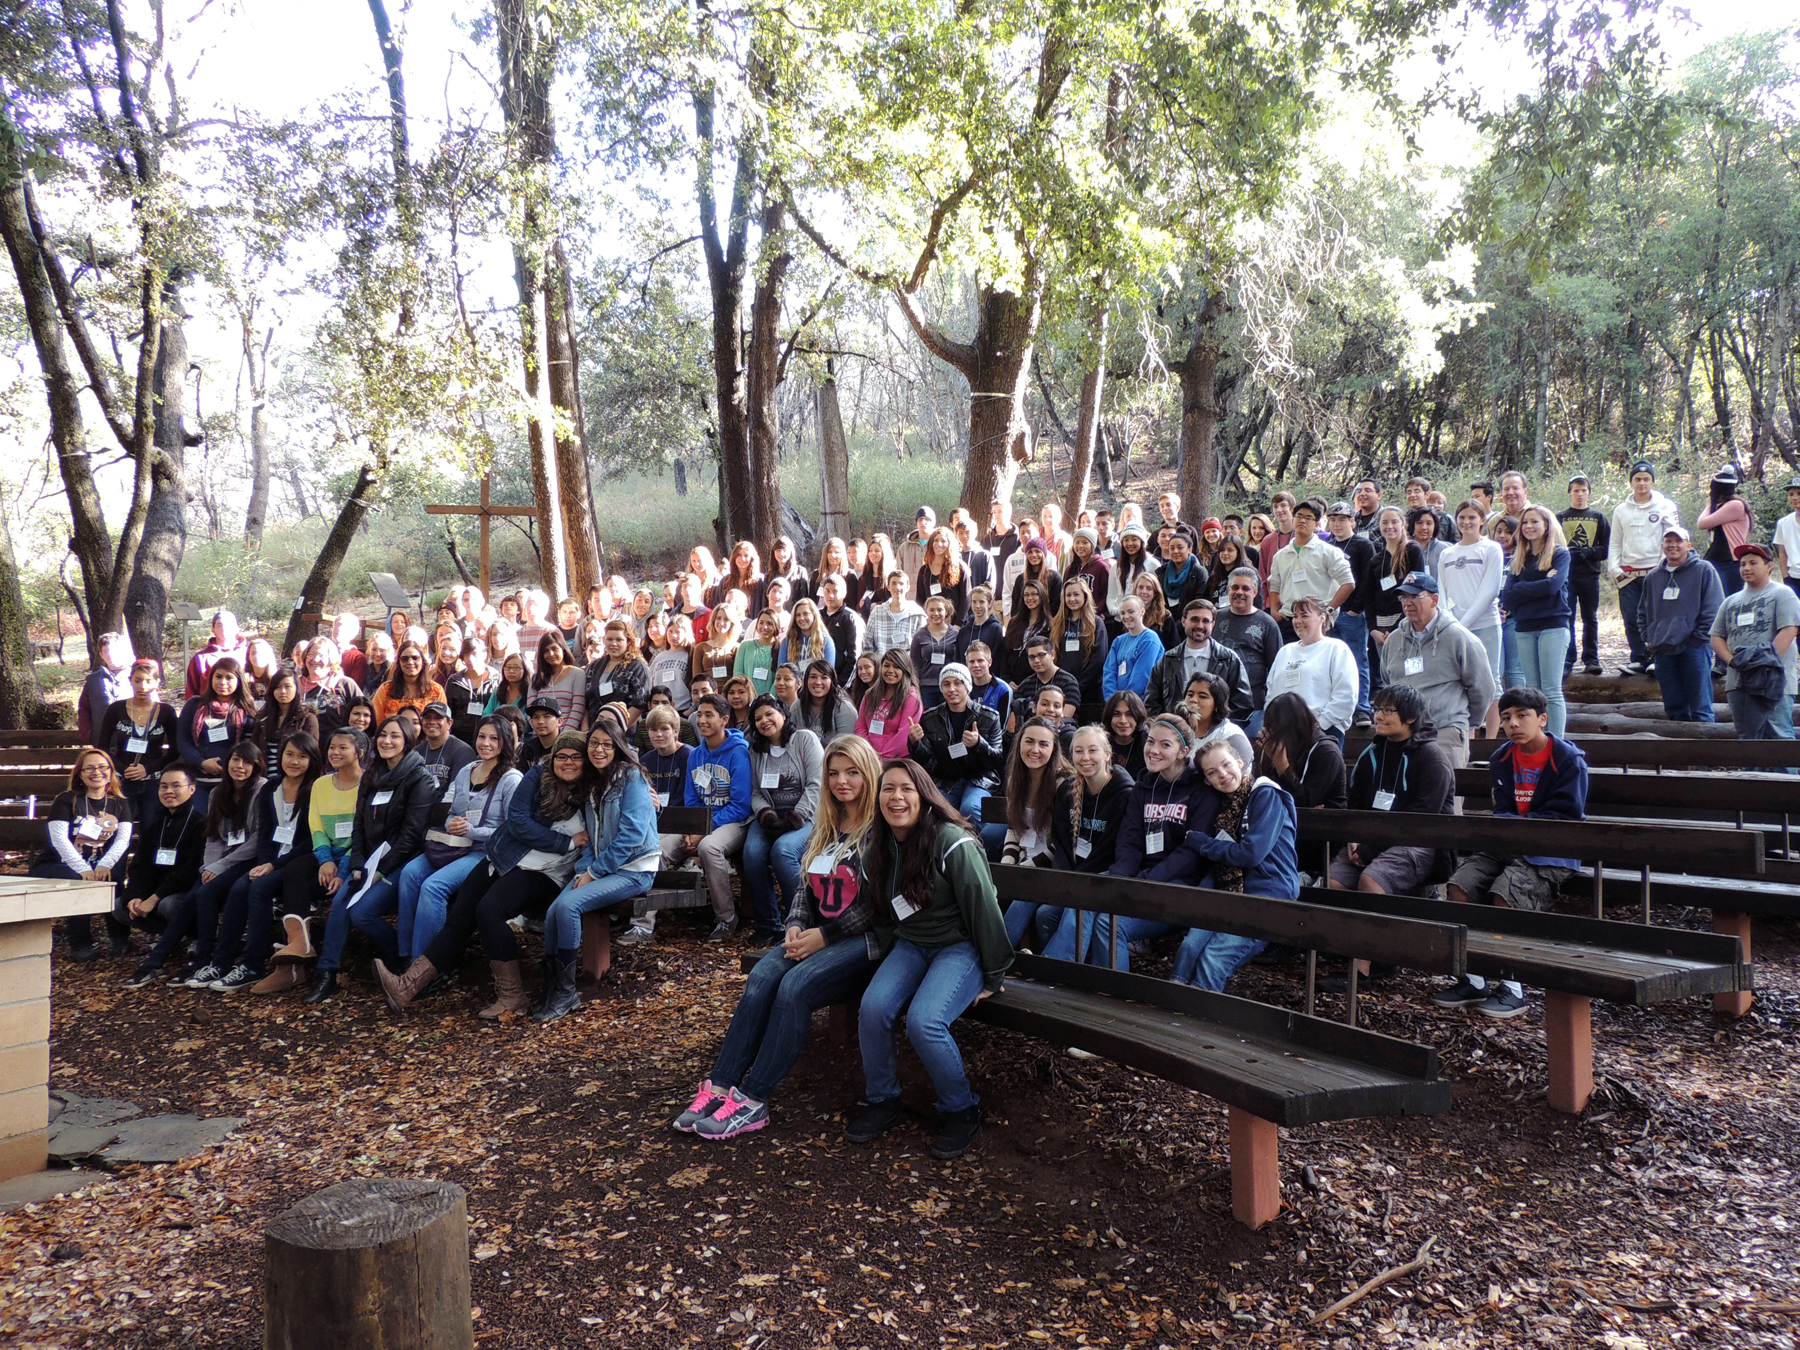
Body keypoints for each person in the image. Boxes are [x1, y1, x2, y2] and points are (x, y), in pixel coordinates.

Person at [676, 735, 887, 1141]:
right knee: (760, 978)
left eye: (852, 772)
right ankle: (720, 1086)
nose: (842, 781)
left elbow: (876, 907)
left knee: (794, 987)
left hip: (862, 942)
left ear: (869, 774)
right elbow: (808, 889)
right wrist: (794, 924)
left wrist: (821, 937)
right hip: (814, 934)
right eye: (834, 773)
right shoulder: (828, 823)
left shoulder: (880, 830)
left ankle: (754, 1099)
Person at [846, 759, 1010, 1160]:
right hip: (911, 945)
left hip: (961, 948)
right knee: (873, 1007)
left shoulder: (952, 841)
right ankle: (883, 1100)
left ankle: (961, 1109)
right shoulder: (878, 845)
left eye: (906, 789)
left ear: (924, 795)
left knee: (925, 1021)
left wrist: (994, 973)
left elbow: (984, 908)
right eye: (888, 789)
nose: (896, 798)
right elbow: (883, 910)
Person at [394, 733, 593, 1018]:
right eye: (562, 756)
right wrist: (566, 841)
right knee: (462, 913)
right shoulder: (538, 774)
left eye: (576, 757)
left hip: (547, 871)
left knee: (489, 911)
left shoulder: (591, 787)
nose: (568, 762)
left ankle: (513, 996)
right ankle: (407, 985)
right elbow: (518, 822)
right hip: (505, 855)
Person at [1436, 686, 1589, 1019]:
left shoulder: (1567, 760)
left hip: (1552, 851)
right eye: (1506, 717)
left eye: (1522, 716)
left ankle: (1513, 986)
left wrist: (1520, 828)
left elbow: (1565, 814)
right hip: (1506, 845)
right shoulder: (1501, 758)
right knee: (1459, 887)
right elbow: (1502, 809)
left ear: (1542, 719)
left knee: (1505, 892)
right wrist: (1509, 831)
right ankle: (1473, 978)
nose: (1513, 724)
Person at [1040, 714, 1218, 969]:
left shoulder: (1200, 791)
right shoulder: (1144, 787)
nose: (1154, 750)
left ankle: (1099, 990)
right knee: (1084, 897)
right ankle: (1063, 974)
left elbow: (1190, 854)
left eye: (1165, 745)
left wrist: (1145, 881)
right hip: (1137, 876)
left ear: (1183, 751)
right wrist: (1120, 879)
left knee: (1107, 922)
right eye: (1151, 742)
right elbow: (1129, 839)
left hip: (1178, 884)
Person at [303, 716, 436, 1004]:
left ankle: (399, 960)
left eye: (395, 736)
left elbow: (411, 836)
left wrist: (379, 871)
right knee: (342, 900)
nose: (387, 741)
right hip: (368, 860)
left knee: (361, 913)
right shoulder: (373, 775)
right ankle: (327, 972)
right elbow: (359, 826)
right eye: (383, 735)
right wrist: (356, 865)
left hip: (402, 861)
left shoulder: (419, 778)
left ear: (408, 741)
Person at [127, 740, 264, 989]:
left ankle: (207, 959)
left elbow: (258, 839)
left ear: (257, 765)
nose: (240, 766)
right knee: (195, 895)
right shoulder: (217, 793)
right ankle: (156, 961)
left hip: (249, 859)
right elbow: (214, 837)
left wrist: (220, 867)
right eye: (235, 760)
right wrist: (209, 867)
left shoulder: (261, 790)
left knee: (206, 895)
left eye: (247, 762)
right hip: (223, 861)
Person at [1172, 740, 1298, 991]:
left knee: (1213, 958)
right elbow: (1219, 864)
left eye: (1226, 764)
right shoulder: (1223, 810)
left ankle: (1194, 1024)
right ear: (1207, 780)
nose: (1222, 774)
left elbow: (1250, 854)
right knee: (1188, 948)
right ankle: (1171, 1013)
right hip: (1230, 893)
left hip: (1268, 893)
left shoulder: (1265, 794)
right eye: (1212, 772)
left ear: (1240, 762)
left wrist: (1203, 843)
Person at [205, 732, 322, 992]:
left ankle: (253, 965)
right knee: (238, 888)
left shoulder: (317, 788)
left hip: (301, 862)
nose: (294, 761)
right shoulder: (271, 787)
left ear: (312, 760)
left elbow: (311, 841)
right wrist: (266, 861)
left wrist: (272, 866)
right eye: (289, 754)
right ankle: (222, 961)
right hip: (271, 858)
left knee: (257, 889)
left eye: (302, 756)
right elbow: (266, 834)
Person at [1327, 683, 1454, 896]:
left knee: (1371, 882)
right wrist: (1353, 838)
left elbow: (1421, 819)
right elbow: (1355, 804)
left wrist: (1369, 849)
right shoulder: (1372, 754)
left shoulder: (1431, 758)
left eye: (1387, 711)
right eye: (1376, 709)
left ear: (1411, 717)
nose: (1378, 717)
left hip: (1418, 841)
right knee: (1332, 883)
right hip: (1369, 837)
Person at [661, 693, 754, 942]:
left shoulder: (738, 754)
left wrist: (704, 829)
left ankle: (726, 918)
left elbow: (741, 805)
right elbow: (691, 798)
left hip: (732, 822)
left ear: (724, 720)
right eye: (699, 714)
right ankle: (647, 920)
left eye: (708, 715)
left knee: (709, 847)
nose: (701, 720)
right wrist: (693, 826)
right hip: (699, 821)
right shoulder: (695, 755)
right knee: (660, 847)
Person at [1379, 573, 1495, 771]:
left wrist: (1463, 723)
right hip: (1402, 734)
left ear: (1434, 599)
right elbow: (1387, 681)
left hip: (1444, 731)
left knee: (1446, 799)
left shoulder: (1459, 638)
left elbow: (1483, 688)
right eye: (1404, 598)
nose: (1408, 603)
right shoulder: (1394, 640)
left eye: (1415, 596)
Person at [29, 748, 134, 960]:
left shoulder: (119, 803)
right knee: (79, 882)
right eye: (90, 768)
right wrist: (83, 868)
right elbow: (59, 839)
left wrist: (106, 864)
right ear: (80, 774)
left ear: (111, 772)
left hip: (99, 863)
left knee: (112, 878)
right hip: (57, 865)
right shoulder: (66, 800)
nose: (97, 772)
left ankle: (120, 941)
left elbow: (123, 839)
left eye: (102, 767)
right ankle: (81, 946)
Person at [741, 696, 826, 945]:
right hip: (770, 815)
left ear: (784, 715)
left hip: (806, 816)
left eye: (769, 714)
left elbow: (816, 784)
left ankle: (798, 921)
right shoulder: (756, 750)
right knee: (752, 853)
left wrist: (796, 817)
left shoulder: (804, 739)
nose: (764, 721)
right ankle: (769, 925)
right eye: (757, 719)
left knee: (783, 850)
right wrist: (765, 814)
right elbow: (756, 791)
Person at [115, 766, 206, 964]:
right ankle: (173, 935)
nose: (169, 792)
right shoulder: (156, 824)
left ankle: (196, 935)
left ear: (191, 789)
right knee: (119, 907)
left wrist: (155, 898)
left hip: (185, 891)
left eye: (176, 786)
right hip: (157, 891)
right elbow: (140, 866)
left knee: (169, 905)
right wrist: (135, 896)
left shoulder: (201, 822)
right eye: (163, 787)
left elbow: (191, 871)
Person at [1711, 542, 1800, 743]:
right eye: (1742, 564)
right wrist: (1732, 661)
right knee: (1748, 738)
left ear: (1769, 566)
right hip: (1738, 682)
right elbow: (1716, 636)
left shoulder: (1782, 594)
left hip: (1773, 681)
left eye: (1753, 563)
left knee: (1778, 737)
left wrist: (1763, 663)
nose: (1747, 568)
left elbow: (1789, 629)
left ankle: (1785, 776)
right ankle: (1753, 775)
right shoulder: (1730, 601)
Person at [908, 661, 1004, 836]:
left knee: (971, 808)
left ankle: (981, 852)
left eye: (957, 683)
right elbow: (925, 758)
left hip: (980, 779)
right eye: (946, 684)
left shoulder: (989, 717)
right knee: (932, 811)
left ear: (967, 686)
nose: (951, 689)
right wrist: (915, 743)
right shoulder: (930, 717)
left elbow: (997, 760)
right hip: (946, 779)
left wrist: (979, 745)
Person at [1640, 525, 1723, 724]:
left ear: (1689, 545)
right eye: (1668, 541)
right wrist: (1650, 638)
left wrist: (1697, 639)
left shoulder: (1704, 570)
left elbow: (1714, 609)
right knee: (1674, 707)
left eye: (1678, 541)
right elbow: (1642, 611)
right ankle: (1679, 751)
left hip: (1694, 648)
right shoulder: (1653, 576)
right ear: (1662, 545)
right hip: (1663, 649)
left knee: (1700, 707)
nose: (1673, 545)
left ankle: (1708, 751)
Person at [1607, 460, 1683, 676]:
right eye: (1637, 479)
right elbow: (1615, 541)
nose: (1641, 483)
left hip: (1656, 571)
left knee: (1657, 617)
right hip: (1629, 573)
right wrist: (1614, 568)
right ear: (1631, 482)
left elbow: (1672, 537)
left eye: (1646, 479)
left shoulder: (1665, 506)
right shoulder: (1621, 510)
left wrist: (1664, 567)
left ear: (1652, 481)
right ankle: (1638, 658)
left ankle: (1658, 658)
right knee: (1631, 617)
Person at [1502, 506, 1573, 736]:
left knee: (1551, 690)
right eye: (1525, 523)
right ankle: (1537, 739)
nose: (1529, 527)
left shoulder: (1560, 554)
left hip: (1553, 625)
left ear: (1547, 525)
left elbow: (1553, 587)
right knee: (1533, 692)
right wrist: (1538, 585)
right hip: (1524, 627)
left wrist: (1522, 588)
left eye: (1535, 522)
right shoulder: (1519, 558)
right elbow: (1507, 596)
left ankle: (1557, 742)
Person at [1438, 500, 1506, 736]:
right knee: (1461, 680)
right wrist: (1449, 621)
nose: (1466, 522)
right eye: (1462, 517)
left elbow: (1490, 590)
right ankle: (1466, 737)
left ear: (1482, 520)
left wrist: (1463, 624)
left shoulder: (1491, 549)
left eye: (1472, 517)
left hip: (1485, 624)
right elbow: (1442, 591)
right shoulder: (1447, 553)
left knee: (1491, 679)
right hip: (1453, 627)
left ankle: (1490, 739)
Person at [1262, 596, 1358, 744]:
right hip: (1284, 734)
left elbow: (1346, 696)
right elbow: (1271, 692)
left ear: (1322, 618)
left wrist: (1318, 725)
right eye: (1295, 616)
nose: (1298, 621)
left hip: (1323, 733)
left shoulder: (1336, 648)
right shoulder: (1284, 651)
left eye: (1304, 615)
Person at [97, 658, 180, 823]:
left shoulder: (166, 712)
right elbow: (102, 746)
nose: (143, 686)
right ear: (130, 681)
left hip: (152, 781)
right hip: (122, 780)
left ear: (157, 682)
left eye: (148, 681)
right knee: (120, 826)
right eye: (138, 680)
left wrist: (147, 769)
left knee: (150, 827)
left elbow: (175, 750)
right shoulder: (116, 709)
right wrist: (123, 769)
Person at [1143, 599, 1252, 723]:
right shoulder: (1166, 660)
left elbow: (1243, 705)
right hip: (1175, 736)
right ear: (1184, 621)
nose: (1200, 625)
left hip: (1216, 737)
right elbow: (1151, 704)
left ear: (1213, 624)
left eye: (1206, 621)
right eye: (1195, 619)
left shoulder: (1229, 660)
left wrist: (1220, 729)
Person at [1321, 501, 1378, 727]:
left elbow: (1367, 580)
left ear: (1352, 521)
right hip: (1329, 612)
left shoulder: (1363, 545)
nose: (1336, 524)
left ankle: (1361, 707)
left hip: (1352, 613)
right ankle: (1335, 705)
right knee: (1331, 661)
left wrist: (1356, 608)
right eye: (1333, 520)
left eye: (1342, 519)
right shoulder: (1326, 545)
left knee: (1357, 659)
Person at [1268, 499, 1356, 633]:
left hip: (1318, 621)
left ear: (1316, 524)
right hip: (1288, 619)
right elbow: (1275, 585)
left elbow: (1348, 583)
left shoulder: (1329, 552)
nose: (1302, 520)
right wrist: (1274, 611)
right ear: (1293, 520)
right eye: (1299, 516)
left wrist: (1328, 610)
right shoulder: (1280, 555)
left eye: (1308, 517)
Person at [1212, 569, 1281, 735]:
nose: (1239, 592)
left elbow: (1276, 669)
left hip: (1254, 707)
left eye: (1245, 588)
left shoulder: (1268, 624)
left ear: (1255, 591)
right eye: (1235, 587)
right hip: (1216, 705)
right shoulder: (1215, 619)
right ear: (1228, 589)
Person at [176, 657, 259, 796]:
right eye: (218, 676)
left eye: (229, 678)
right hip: (197, 780)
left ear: (239, 681)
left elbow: (249, 744)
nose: (222, 682)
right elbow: (183, 740)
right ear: (211, 678)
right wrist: (202, 762)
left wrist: (229, 765)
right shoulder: (194, 705)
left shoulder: (247, 709)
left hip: (233, 782)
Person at [1558, 473, 1610, 677]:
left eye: (1584, 490)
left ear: (1589, 493)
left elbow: (1606, 548)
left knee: (1591, 618)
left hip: (1590, 575)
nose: (1580, 494)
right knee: (1566, 618)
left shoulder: (1598, 517)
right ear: (1570, 492)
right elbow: (1552, 545)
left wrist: (1590, 552)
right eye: (1576, 490)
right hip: (1566, 577)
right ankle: (1567, 659)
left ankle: (1591, 659)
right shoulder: (1560, 517)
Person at [854, 649, 924, 760]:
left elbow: (904, 734)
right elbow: (860, 726)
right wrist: (869, 752)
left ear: (905, 669)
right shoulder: (870, 694)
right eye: (886, 666)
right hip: (868, 756)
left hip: (897, 759)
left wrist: (883, 758)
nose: (890, 670)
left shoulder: (911, 697)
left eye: (896, 667)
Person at [1698, 464, 1754, 600]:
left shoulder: (1735, 505)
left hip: (1729, 562)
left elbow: (1702, 523)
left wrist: (1708, 505)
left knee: (1727, 602)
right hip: (1719, 560)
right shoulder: (1726, 506)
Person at [1008, 636, 1083, 732]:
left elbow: (1063, 718)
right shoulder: (1025, 685)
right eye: (1032, 657)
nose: (1036, 661)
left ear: (1052, 655)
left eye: (1041, 655)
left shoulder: (1068, 682)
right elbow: (1012, 725)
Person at [1102, 595, 1164, 701]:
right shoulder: (1118, 641)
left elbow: (1142, 676)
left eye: (1131, 612)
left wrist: (1126, 702)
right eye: (1122, 613)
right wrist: (1112, 700)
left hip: (1139, 703)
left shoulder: (1149, 639)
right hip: (1117, 703)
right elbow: (1109, 672)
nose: (1126, 616)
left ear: (1142, 611)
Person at [588, 620, 652, 720]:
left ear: (628, 641)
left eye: (619, 640)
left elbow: (639, 705)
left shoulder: (638, 667)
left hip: (621, 730)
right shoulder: (595, 666)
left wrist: (617, 728)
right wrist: (585, 728)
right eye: (609, 639)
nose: (614, 643)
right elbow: (587, 700)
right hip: (593, 727)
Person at [79, 632, 134, 746]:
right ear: (101, 654)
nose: (111, 654)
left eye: (115, 650)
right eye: (106, 651)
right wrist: (88, 734)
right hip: (102, 742)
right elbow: (84, 710)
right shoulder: (93, 681)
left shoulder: (137, 677)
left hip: (132, 742)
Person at [525, 631, 585, 731]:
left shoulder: (577, 674)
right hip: (541, 737)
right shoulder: (537, 678)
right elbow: (530, 711)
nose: (551, 654)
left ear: (563, 649)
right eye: (546, 651)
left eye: (555, 649)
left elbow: (578, 708)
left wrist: (564, 736)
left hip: (567, 736)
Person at [909, 595, 961, 709]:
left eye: (939, 610)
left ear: (946, 612)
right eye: (931, 610)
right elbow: (915, 664)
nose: (935, 613)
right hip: (926, 687)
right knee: (929, 720)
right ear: (926, 611)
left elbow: (959, 662)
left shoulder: (956, 634)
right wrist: (915, 687)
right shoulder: (919, 636)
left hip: (949, 686)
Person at [414, 701, 475, 792]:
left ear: (449, 723)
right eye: (427, 718)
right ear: (422, 721)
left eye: (438, 718)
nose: (432, 722)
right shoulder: (416, 752)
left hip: (447, 805)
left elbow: (457, 791)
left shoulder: (462, 751)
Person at [185, 610, 248, 698]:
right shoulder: (201, 658)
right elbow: (191, 691)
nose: (224, 627)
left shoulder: (249, 654)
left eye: (228, 624)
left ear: (237, 629)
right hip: (209, 709)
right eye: (219, 624)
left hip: (242, 708)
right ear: (213, 630)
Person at [863, 571, 928, 658]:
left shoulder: (918, 614)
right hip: (882, 666)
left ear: (908, 587)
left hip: (907, 666)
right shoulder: (877, 612)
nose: (897, 587)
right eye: (893, 583)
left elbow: (923, 646)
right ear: (888, 587)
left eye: (901, 584)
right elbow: (868, 643)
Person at [792, 658, 858, 739]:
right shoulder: (796, 706)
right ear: (805, 681)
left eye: (824, 677)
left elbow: (847, 746)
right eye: (813, 677)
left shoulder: (844, 708)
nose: (818, 682)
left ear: (832, 681)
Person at [1106, 523, 1159, 621]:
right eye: (1126, 540)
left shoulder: (1153, 564)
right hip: (1120, 619)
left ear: (1141, 541)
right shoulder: (1116, 567)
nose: (1130, 543)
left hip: (1145, 620)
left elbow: (1158, 595)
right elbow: (1111, 596)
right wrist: (1118, 611)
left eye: (1134, 539)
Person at [1255, 492, 1296, 604]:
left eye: (1283, 505)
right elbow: (1263, 574)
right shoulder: (1268, 540)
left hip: (1297, 602)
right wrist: (1265, 602)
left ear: (1292, 508)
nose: (1279, 510)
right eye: (1275, 506)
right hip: (1272, 603)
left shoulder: (1301, 537)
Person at [1103, 690, 1148, 779]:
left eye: (1129, 714)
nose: (1123, 721)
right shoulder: (1101, 741)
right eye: (1116, 714)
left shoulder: (1148, 743)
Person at [1774, 477, 1800, 600]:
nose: (1794, 498)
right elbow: (1782, 552)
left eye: (1799, 494)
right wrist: (1785, 577)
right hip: (1793, 577)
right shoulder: (1783, 523)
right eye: (1791, 494)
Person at [897, 506, 936, 583]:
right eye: (920, 519)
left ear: (933, 522)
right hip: (909, 593)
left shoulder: (938, 545)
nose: (923, 522)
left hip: (933, 592)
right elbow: (898, 573)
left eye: (927, 519)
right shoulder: (904, 548)